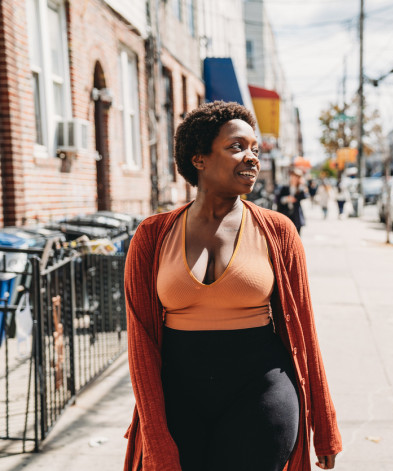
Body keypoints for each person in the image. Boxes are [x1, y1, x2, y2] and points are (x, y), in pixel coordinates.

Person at [123, 101, 342, 471]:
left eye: (255, 149)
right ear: (199, 159)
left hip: (261, 390)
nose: (252, 158)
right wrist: (156, 436)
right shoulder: (152, 235)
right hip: (178, 395)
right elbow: (140, 341)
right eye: (237, 147)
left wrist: (324, 423)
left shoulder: (278, 231)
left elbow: (304, 328)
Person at [276, 168, 308, 234]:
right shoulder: (284, 187)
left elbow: (305, 196)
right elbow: (277, 199)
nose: (294, 178)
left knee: (297, 236)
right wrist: (286, 199)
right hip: (285, 215)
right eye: (293, 176)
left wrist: (302, 186)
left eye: (297, 177)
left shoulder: (300, 188)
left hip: (296, 215)